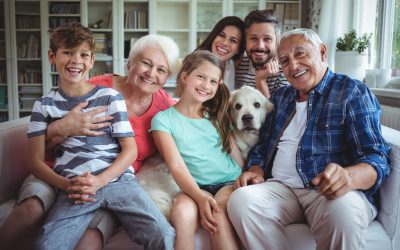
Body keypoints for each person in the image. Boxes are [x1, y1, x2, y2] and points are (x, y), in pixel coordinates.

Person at [0, 25, 179, 249]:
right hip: (72, 180)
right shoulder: (70, 95)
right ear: (130, 62)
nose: (151, 73)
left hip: (117, 180)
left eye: (161, 70)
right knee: (48, 241)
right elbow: (36, 158)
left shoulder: (119, 99)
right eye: (146, 63)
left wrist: (101, 180)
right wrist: (64, 130)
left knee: (161, 233)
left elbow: (132, 148)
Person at [227, 28, 391, 250]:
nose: (293, 66)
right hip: (281, 188)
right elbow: (262, 145)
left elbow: (376, 157)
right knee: (241, 201)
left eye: (300, 54)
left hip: (329, 192)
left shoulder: (352, 92)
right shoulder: (281, 97)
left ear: (322, 52)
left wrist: (349, 177)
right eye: (284, 61)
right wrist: (256, 169)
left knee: (343, 212)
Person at [151, 50, 244, 250]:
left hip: (227, 182)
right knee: (182, 214)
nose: (205, 85)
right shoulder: (163, 120)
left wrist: (243, 178)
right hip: (193, 186)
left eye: (213, 81)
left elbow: (236, 157)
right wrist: (200, 196)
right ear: (185, 77)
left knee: (216, 212)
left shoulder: (215, 116)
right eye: (201, 77)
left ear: (218, 85)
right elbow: (176, 167)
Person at [235, 9, 288, 98]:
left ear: (277, 41)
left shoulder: (285, 71)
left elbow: (276, 111)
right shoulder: (238, 65)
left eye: (267, 39)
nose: (260, 46)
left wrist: (261, 81)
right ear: (245, 41)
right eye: (253, 38)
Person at [195, 16, 245, 91]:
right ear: (213, 36)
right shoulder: (196, 63)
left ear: (238, 49)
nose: (225, 43)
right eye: (221, 35)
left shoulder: (232, 64)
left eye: (233, 40)